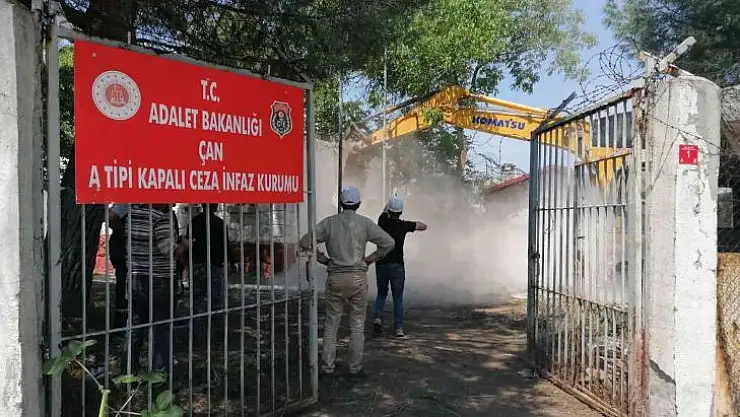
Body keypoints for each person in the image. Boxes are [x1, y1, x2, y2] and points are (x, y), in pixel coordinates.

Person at [300, 186, 394, 377]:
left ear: (341, 203)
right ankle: (355, 367)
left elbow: (305, 241)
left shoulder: (329, 223)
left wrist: (323, 259)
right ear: (358, 204)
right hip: (358, 277)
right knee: (357, 325)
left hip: (335, 276)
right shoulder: (365, 223)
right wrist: (369, 259)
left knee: (331, 323)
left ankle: (327, 366)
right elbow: (388, 243)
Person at [124, 204, 186, 375]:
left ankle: (128, 372)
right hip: (159, 279)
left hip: (136, 277)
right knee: (161, 327)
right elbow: (168, 251)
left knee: (135, 326)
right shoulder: (160, 218)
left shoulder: (132, 216)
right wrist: (183, 245)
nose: (172, 203)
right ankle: (159, 374)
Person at [373, 197, 427, 337]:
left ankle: (377, 318)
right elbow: (423, 226)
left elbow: (384, 211)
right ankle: (398, 328)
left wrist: (387, 206)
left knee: (381, 293)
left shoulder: (382, 222)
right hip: (397, 265)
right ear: (401, 212)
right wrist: (413, 224)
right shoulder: (403, 225)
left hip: (381, 264)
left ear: (389, 211)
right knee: (398, 297)